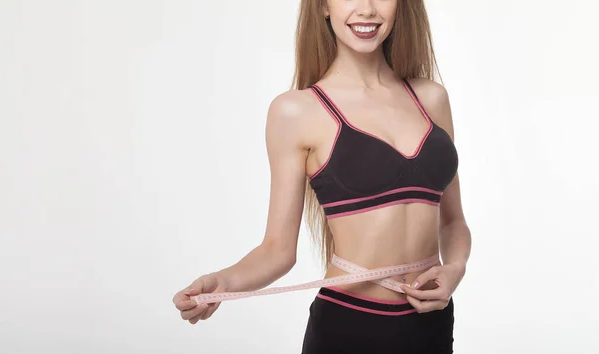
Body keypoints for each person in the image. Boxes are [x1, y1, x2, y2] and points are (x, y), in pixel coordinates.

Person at [172, 0, 471, 352]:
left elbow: (453, 224)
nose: (367, 9)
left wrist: (454, 270)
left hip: (430, 326)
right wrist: (221, 282)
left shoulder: (431, 99)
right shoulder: (297, 111)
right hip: (348, 326)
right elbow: (277, 250)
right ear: (324, 7)